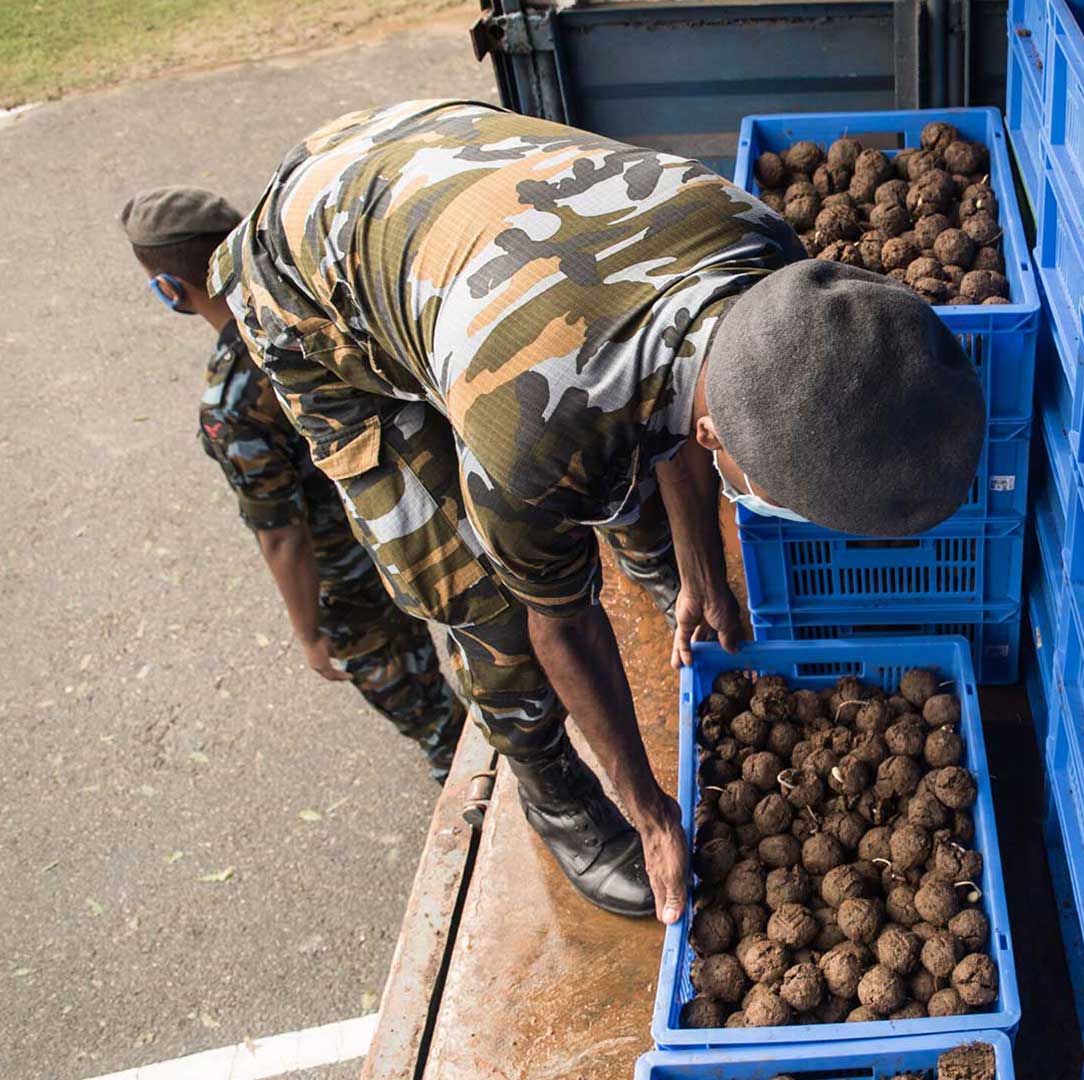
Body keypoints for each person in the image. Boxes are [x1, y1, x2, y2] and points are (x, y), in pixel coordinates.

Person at [211, 100, 985, 921]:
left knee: (625, 474)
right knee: (488, 603)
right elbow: (565, 626)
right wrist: (651, 810)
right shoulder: (531, 435)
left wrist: (701, 572)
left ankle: (672, 591)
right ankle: (555, 795)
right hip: (317, 269)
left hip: (453, 204)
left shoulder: (777, 273)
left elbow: (691, 392)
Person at [120, 187, 466, 782]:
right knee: (497, 654)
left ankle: (479, 796)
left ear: (170, 289)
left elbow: (283, 536)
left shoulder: (231, 405)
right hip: (442, 514)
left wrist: (308, 634)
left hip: (356, 572)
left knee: (429, 714)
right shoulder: (323, 302)